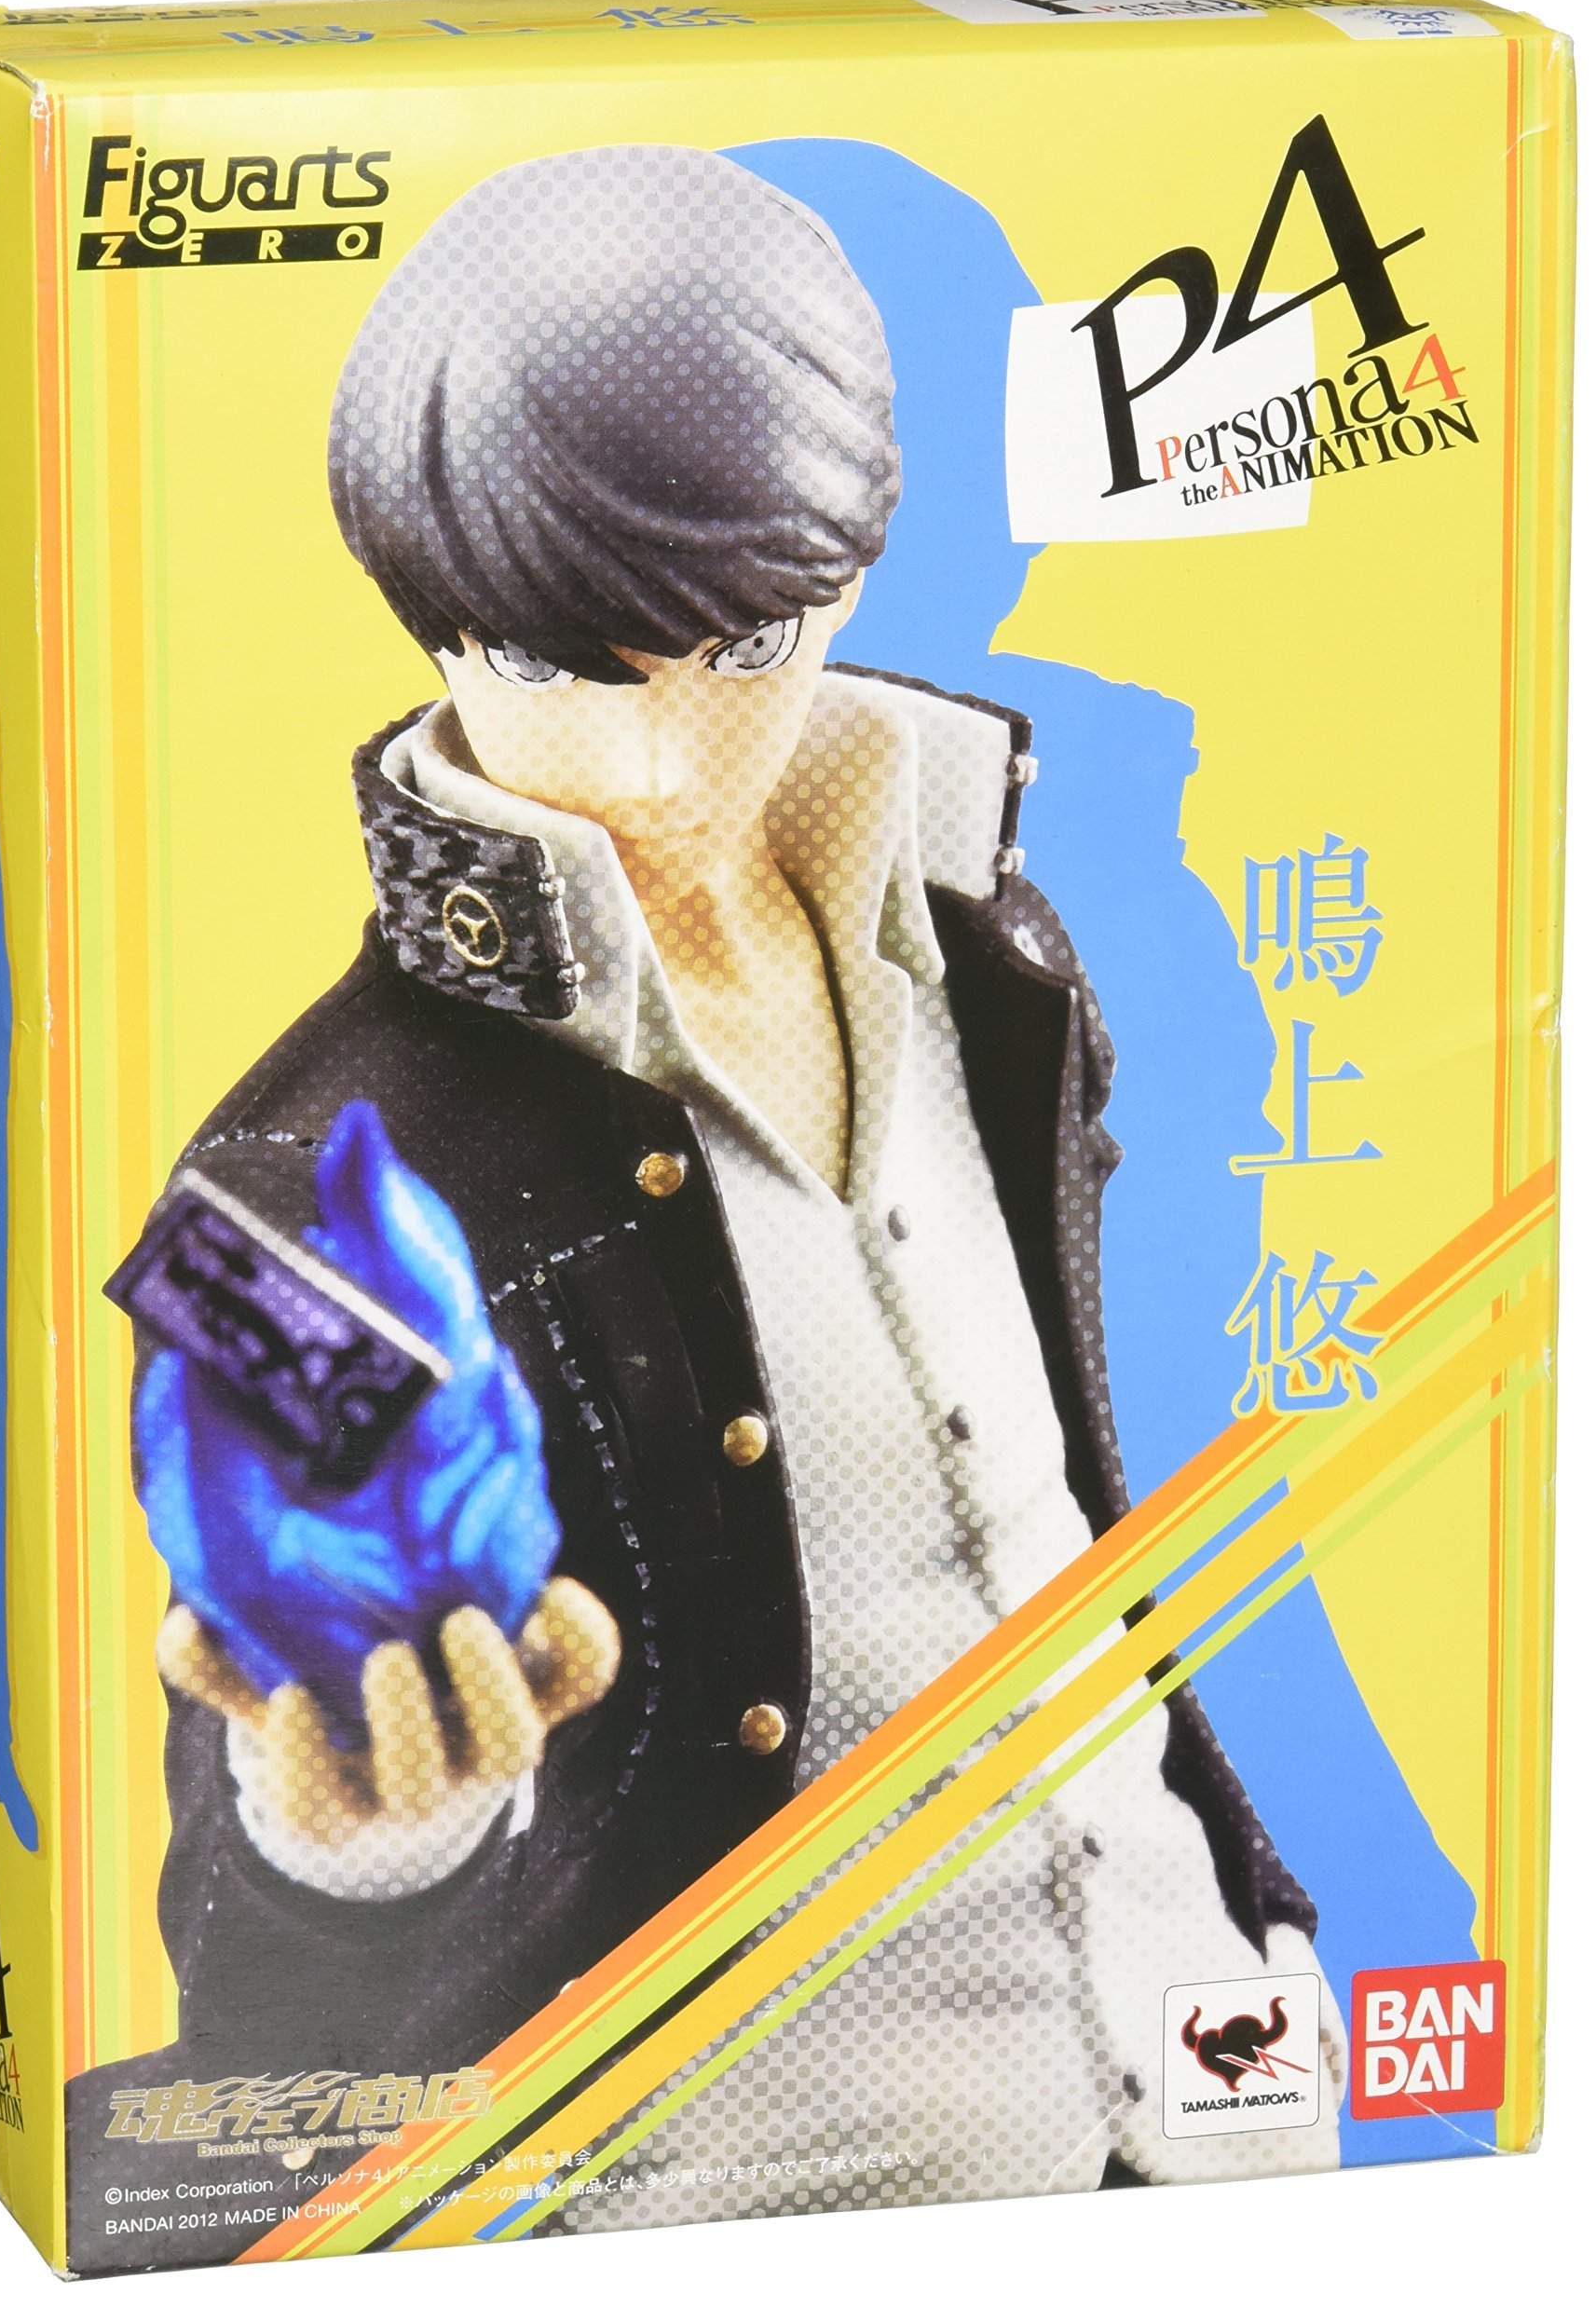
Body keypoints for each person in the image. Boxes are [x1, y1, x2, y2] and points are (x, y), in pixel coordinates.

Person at [75, 145, 1343, 2252]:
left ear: (848, 577)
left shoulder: (994, 953)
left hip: (1216, 2080)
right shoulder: (278, 1198)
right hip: (738, 2192)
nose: (664, 758)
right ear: (436, 607)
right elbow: (248, 1964)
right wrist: (359, 1837)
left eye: (744, 643)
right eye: (566, 662)